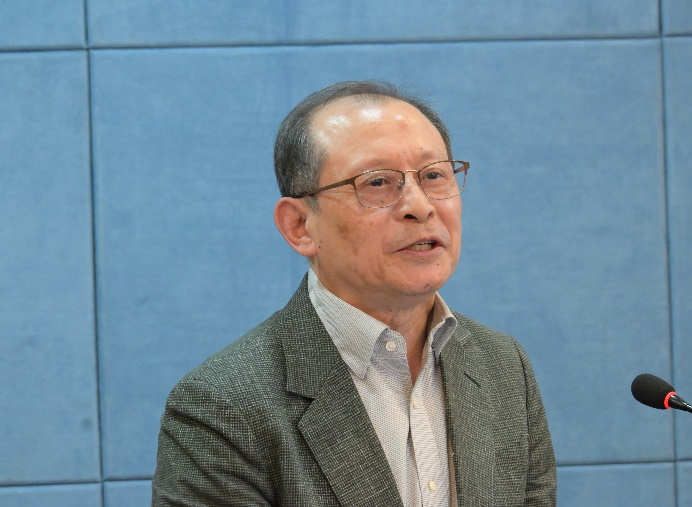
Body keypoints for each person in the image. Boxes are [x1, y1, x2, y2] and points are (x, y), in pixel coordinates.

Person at [152, 80, 556, 506]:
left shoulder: (503, 367)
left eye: (434, 175)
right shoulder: (222, 407)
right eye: (377, 182)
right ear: (300, 226)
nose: (420, 205)